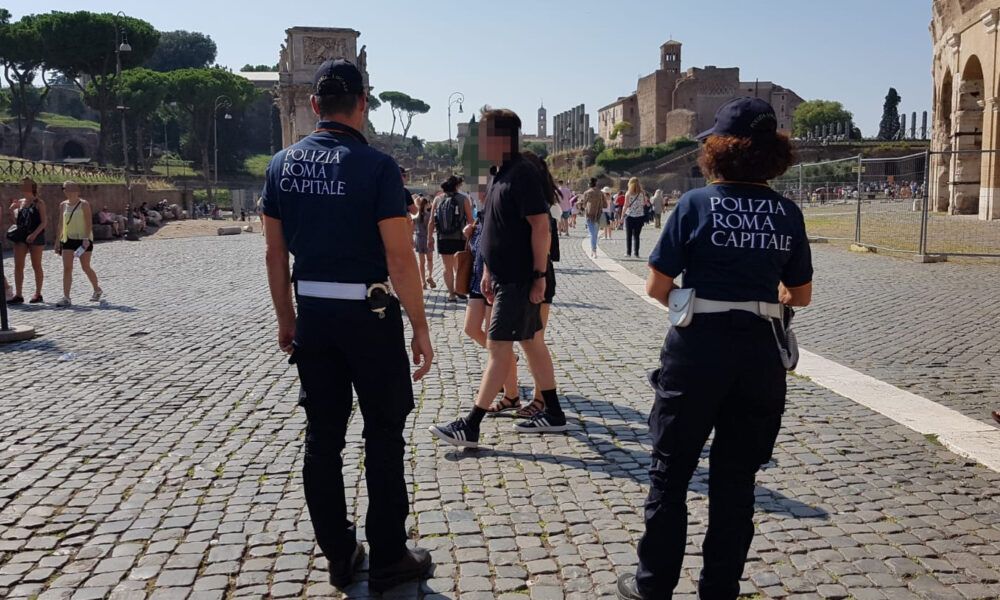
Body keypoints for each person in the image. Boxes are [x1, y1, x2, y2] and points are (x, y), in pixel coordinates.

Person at [616, 97, 814, 600]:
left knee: (670, 474)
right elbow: (802, 295)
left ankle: (653, 584)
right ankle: (719, 588)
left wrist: (699, 305)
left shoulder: (695, 204)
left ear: (718, 150)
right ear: (775, 155)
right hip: (759, 357)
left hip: (697, 351)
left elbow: (656, 286)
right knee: (736, 482)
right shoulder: (787, 212)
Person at [261, 59, 433, 592]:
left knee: (323, 436)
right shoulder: (379, 168)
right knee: (384, 434)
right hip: (370, 314)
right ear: (363, 102)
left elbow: (273, 253)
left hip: (313, 313)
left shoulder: (280, 165)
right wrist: (420, 327)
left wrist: (286, 319)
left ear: (314, 106)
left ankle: (338, 551)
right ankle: (387, 555)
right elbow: (400, 259)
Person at [428, 107, 567, 449]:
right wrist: (488, 268)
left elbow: (539, 226)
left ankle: (471, 424)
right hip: (503, 275)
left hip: (520, 277)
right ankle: (554, 413)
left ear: (501, 138)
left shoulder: (522, 174)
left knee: (498, 347)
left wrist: (538, 275)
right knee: (532, 341)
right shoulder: (499, 174)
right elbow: (495, 227)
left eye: (482, 135)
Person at [54, 181, 103, 307]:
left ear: (76, 190)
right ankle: (66, 297)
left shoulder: (84, 204)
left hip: (83, 239)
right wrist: (57, 241)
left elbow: (88, 223)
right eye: (64, 189)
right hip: (68, 238)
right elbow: (60, 223)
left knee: (85, 266)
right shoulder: (63, 205)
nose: (66, 191)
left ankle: (97, 289)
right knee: (67, 268)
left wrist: (86, 238)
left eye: (69, 189)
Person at [427, 175, 473, 302]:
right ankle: (459, 289)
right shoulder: (463, 199)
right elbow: (470, 220)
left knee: (447, 267)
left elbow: (431, 221)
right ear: (457, 186)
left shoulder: (437, 199)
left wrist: (429, 238)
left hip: (443, 237)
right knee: (459, 266)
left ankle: (451, 294)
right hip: (459, 238)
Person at [7, 177, 47, 304]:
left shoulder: (39, 203)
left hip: (36, 235)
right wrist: (11, 210)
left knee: (36, 265)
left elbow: (44, 222)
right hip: (21, 236)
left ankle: (38, 293)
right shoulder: (20, 202)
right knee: (18, 265)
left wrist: (34, 234)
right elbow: (17, 222)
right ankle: (19, 295)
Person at [412, 195, 436, 290]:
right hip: (428, 238)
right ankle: (429, 276)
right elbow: (432, 227)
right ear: (426, 204)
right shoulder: (429, 215)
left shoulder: (416, 216)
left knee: (421, 263)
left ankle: (423, 283)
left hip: (419, 238)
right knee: (430, 260)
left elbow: (412, 227)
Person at [622, 177, 650, 258]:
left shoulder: (628, 193)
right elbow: (646, 203)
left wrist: (621, 217)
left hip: (629, 216)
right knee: (637, 236)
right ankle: (636, 253)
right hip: (640, 216)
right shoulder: (642, 193)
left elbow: (625, 206)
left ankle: (628, 253)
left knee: (629, 235)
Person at [581, 179, 606, 258]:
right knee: (595, 234)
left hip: (589, 215)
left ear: (589, 185)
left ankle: (593, 250)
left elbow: (583, 204)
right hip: (598, 215)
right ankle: (594, 250)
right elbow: (605, 205)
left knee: (592, 234)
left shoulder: (587, 193)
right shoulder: (601, 193)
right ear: (596, 184)